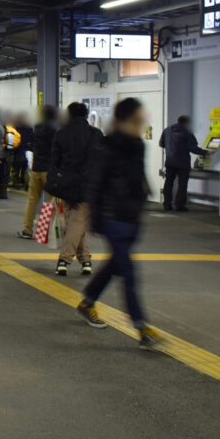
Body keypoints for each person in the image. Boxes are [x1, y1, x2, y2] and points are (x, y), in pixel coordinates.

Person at [76, 97, 160, 351]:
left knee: (116, 264)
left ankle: (87, 301)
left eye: (141, 121)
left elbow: (139, 178)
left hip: (132, 218)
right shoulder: (106, 146)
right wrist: (96, 220)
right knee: (128, 271)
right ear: (123, 121)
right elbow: (95, 185)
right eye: (136, 121)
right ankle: (141, 327)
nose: (139, 125)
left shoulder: (138, 146)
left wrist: (143, 199)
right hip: (112, 217)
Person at [45, 102, 102, 276]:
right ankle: (66, 260)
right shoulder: (95, 134)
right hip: (87, 185)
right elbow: (101, 162)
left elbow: (54, 162)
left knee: (72, 223)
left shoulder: (61, 133)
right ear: (86, 115)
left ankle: (84, 260)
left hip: (64, 184)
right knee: (76, 223)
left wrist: (52, 183)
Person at [17, 105, 58, 239]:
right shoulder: (55, 130)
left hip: (36, 169)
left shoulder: (37, 128)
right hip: (49, 170)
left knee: (32, 200)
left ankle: (27, 230)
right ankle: (43, 232)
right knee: (50, 202)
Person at [159, 115, 210, 212]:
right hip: (183, 163)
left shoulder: (167, 131)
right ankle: (179, 206)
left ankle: (167, 205)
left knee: (168, 183)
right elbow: (193, 148)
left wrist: (171, 148)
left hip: (170, 162)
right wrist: (205, 152)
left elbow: (161, 144)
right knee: (182, 185)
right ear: (186, 123)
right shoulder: (187, 133)